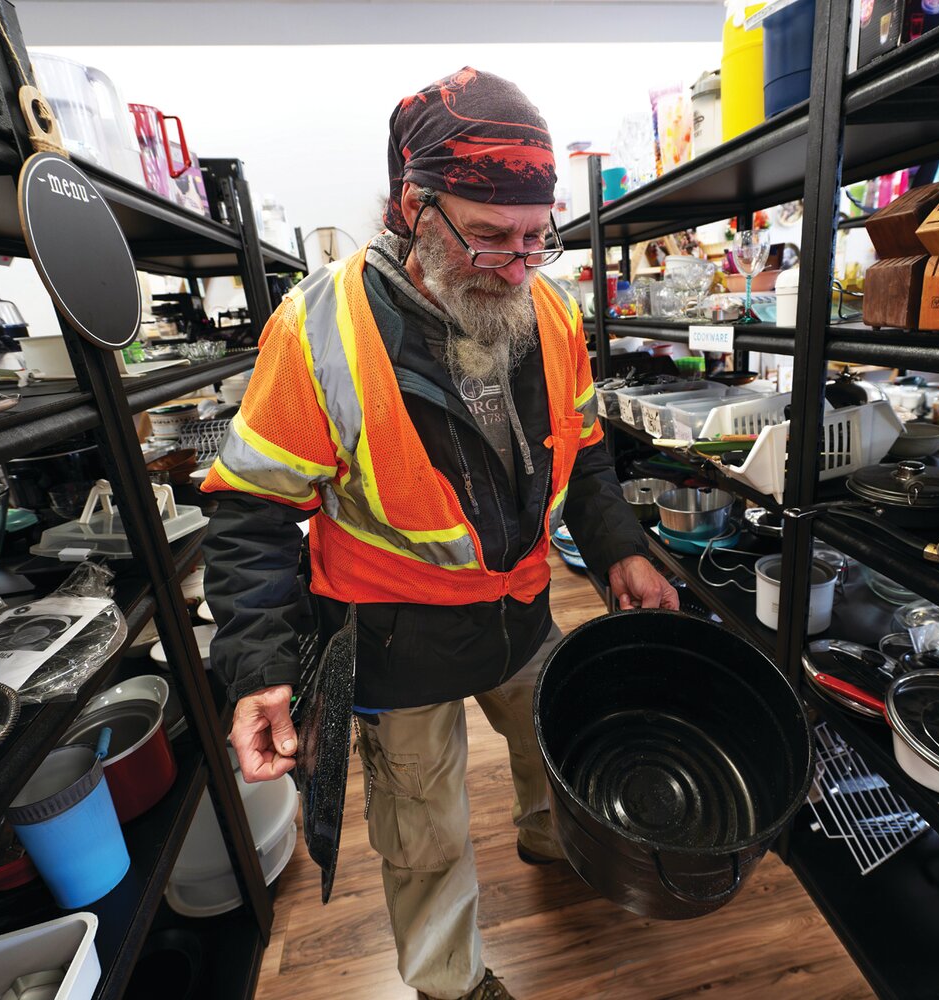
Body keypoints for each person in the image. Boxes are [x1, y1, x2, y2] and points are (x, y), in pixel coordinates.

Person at [200, 67, 678, 1000]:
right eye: (492, 236)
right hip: (392, 638)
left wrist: (622, 546)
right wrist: (256, 667)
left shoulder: (549, 307)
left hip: (521, 616)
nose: (518, 261)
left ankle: (554, 840)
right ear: (416, 207)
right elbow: (251, 511)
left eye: (538, 238)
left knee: (555, 745)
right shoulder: (317, 328)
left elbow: (583, 449)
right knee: (423, 831)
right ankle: (447, 979)